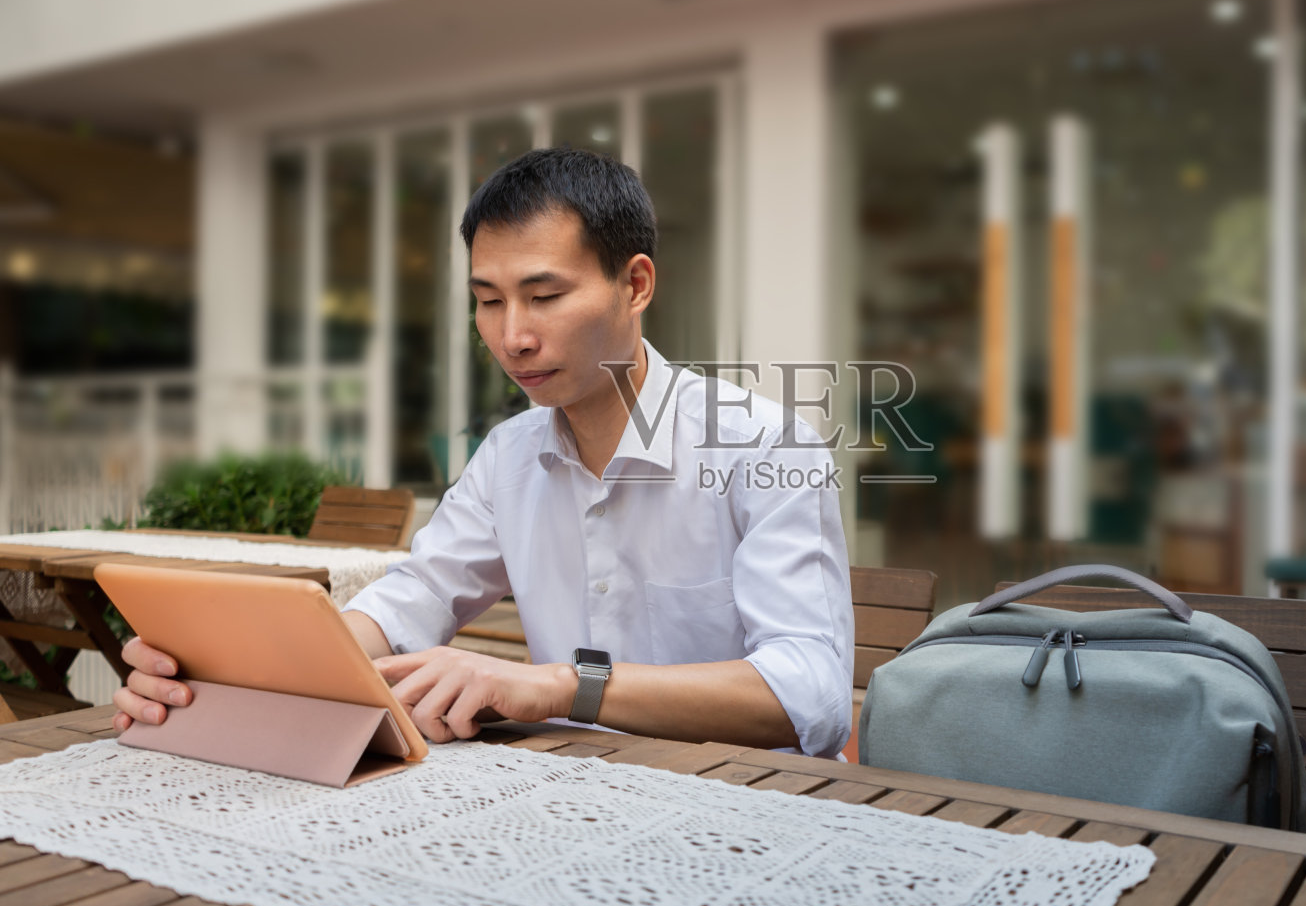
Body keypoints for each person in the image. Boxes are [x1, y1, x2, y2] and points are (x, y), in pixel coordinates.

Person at [112, 147, 856, 758]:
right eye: (489, 300)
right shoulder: (509, 454)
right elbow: (415, 601)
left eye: (544, 295)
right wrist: (225, 675)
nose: (512, 336)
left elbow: (811, 695)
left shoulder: (764, 444)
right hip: (563, 793)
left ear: (635, 285)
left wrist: (560, 686)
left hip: (747, 809)